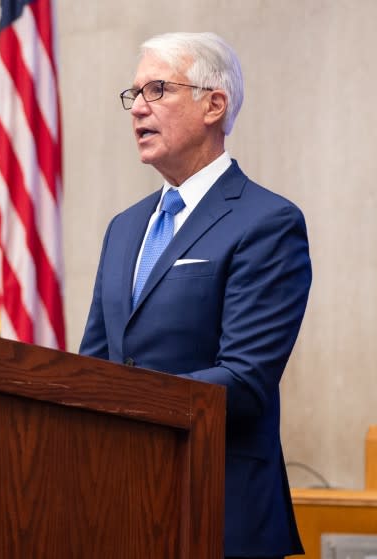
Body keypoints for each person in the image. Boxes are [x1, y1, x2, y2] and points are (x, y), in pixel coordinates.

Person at [79, 32, 310, 559]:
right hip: (117, 510)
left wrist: (125, 402)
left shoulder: (268, 222)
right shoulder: (123, 228)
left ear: (214, 104)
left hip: (219, 512)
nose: (137, 108)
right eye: (133, 94)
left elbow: (246, 379)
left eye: (157, 89)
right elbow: (93, 366)